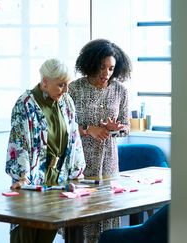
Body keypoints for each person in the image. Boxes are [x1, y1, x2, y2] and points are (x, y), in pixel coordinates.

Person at [5, 58, 86, 243]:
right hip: (30, 182)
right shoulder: (25, 104)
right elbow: (18, 143)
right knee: (25, 236)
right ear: (45, 82)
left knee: (46, 236)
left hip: (57, 181)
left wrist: (77, 171)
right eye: (61, 85)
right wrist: (21, 176)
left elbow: (74, 138)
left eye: (68, 85)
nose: (66, 90)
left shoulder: (66, 102)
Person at [68, 39, 132, 243]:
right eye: (102, 67)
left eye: (111, 68)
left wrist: (117, 129)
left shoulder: (120, 91)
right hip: (81, 163)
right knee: (81, 220)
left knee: (107, 222)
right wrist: (88, 130)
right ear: (91, 63)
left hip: (109, 164)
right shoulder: (74, 89)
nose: (106, 73)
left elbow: (126, 127)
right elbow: (64, 127)